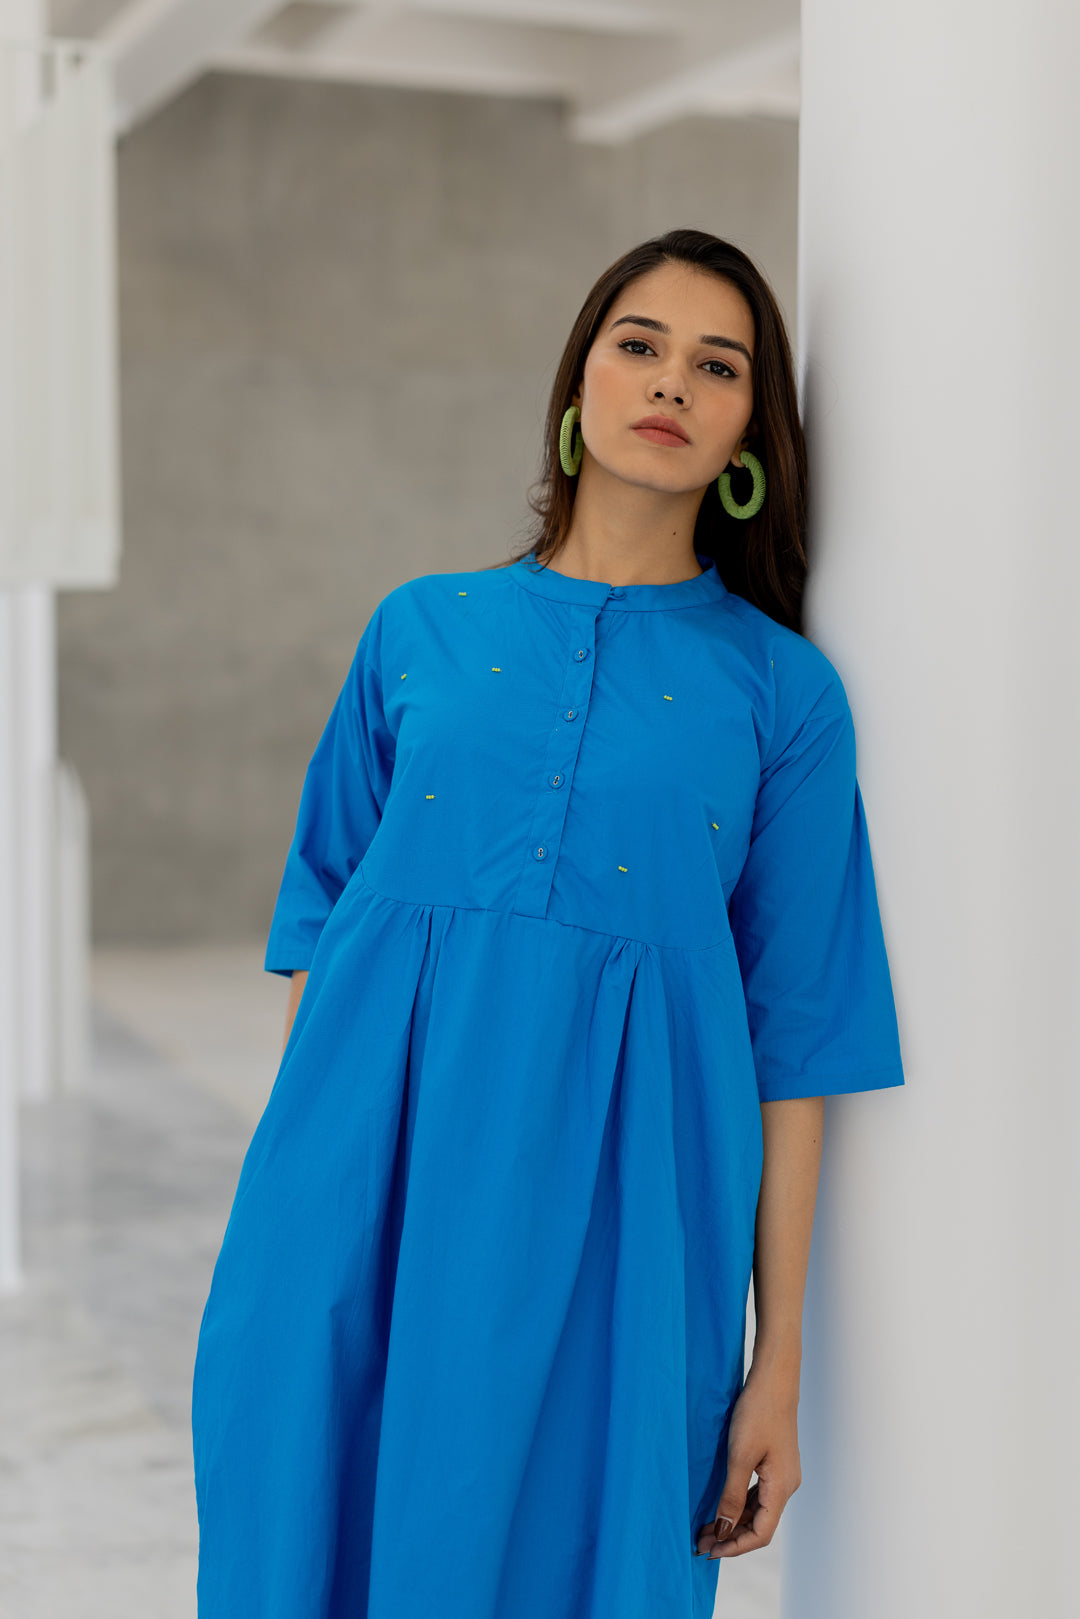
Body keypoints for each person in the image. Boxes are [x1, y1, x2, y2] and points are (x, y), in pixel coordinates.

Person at [191, 226, 905, 1619]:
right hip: (359, 1195)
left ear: (752, 433)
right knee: (307, 1529)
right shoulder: (417, 630)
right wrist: (305, 1200)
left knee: (580, 1549)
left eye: (719, 366)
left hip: (625, 1230)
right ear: (579, 382)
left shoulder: (783, 693)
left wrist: (776, 1366)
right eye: (640, 345)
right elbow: (321, 926)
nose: (672, 381)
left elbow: (798, 1040)